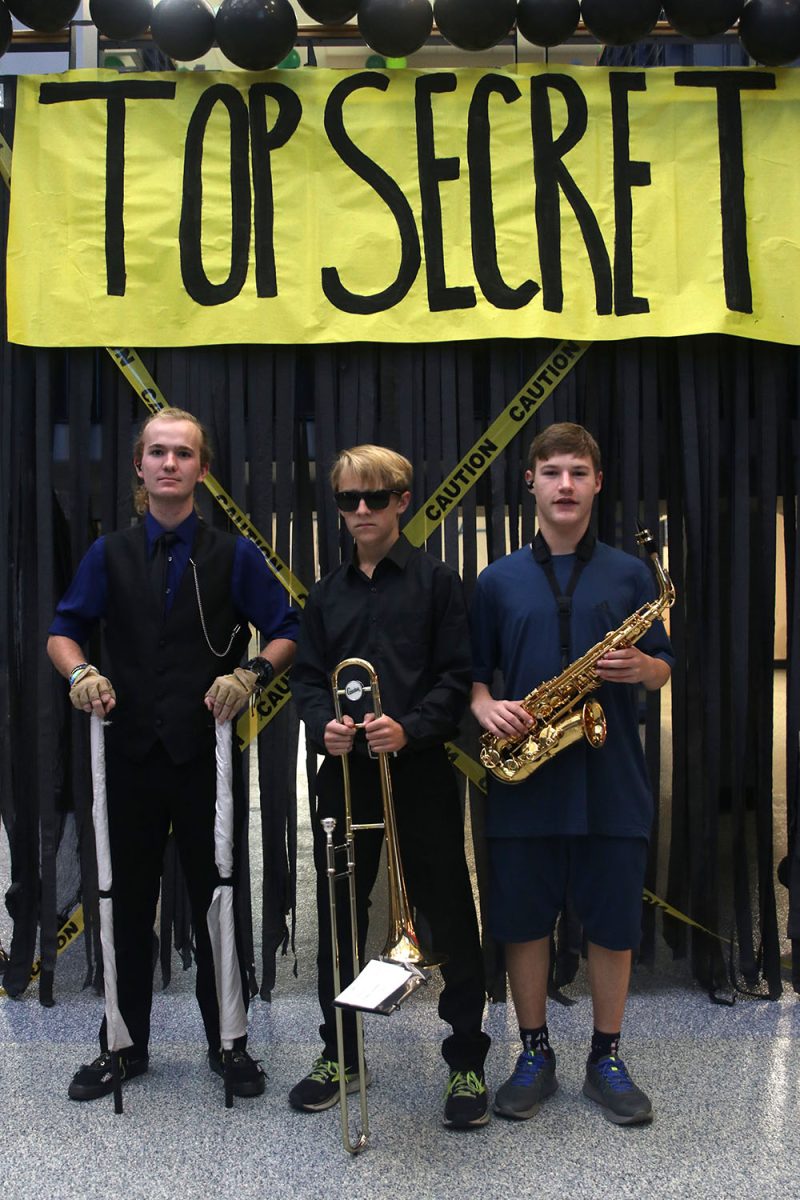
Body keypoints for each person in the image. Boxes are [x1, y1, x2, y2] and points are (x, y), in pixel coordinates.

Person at [47, 407, 298, 1102]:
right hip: (127, 757)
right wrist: (79, 674)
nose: (168, 463)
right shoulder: (108, 554)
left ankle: (231, 1043)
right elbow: (63, 631)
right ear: (139, 466)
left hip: (204, 758)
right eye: (156, 452)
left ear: (201, 469)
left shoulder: (233, 554)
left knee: (219, 896)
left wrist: (251, 674)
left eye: (182, 454)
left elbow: (285, 630)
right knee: (124, 902)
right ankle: (122, 1046)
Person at [470, 422, 673, 1127]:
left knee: (613, 927)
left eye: (578, 473)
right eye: (551, 471)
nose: (564, 485)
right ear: (530, 481)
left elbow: (664, 667)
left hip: (611, 779)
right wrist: (485, 706)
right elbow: (472, 677)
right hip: (526, 780)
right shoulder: (496, 580)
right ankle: (533, 1051)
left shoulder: (631, 574)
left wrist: (643, 668)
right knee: (524, 923)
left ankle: (606, 1056)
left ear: (596, 483)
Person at [289, 445, 491, 1128]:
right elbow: (310, 678)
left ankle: (466, 1058)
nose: (363, 511)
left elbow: (456, 675)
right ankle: (340, 1053)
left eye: (376, 497)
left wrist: (408, 727)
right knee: (340, 916)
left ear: (404, 499)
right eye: (349, 500)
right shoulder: (325, 592)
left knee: (451, 915)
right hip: (345, 775)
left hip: (421, 769)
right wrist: (325, 728)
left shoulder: (437, 582)